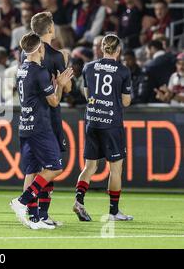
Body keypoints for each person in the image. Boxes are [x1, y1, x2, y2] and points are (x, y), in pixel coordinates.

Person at [10, 32, 73, 230]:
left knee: (33, 170)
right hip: (39, 126)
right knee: (55, 168)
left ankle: (35, 217)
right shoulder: (39, 71)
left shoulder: (22, 69)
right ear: (39, 49)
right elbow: (53, 101)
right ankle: (22, 201)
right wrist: (60, 85)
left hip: (25, 126)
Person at [73, 34, 133, 222]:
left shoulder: (88, 67)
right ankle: (114, 211)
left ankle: (79, 201)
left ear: (101, 48)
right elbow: (125, 101)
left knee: (90, 166)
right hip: (111, 124)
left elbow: (87, 94)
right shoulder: (123, 71)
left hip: (92, 121)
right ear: (118, 50)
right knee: (115, 169)